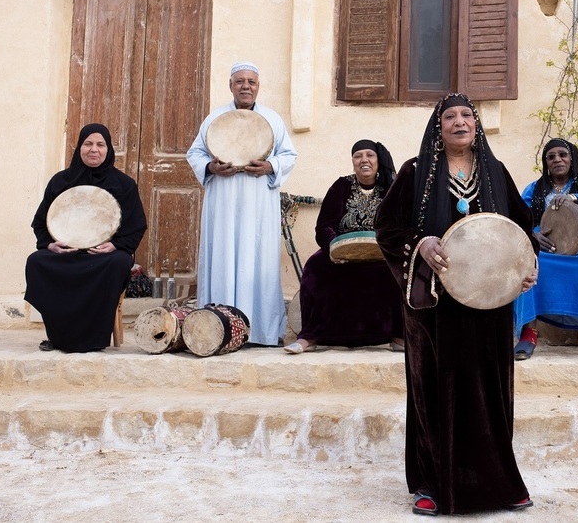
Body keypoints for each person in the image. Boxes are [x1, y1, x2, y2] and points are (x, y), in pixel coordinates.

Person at [374, 93, 538, 517]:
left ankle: (499, 480)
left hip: (489, 303)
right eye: (451, 116)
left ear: (477, 125)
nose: (460, 122)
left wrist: (527, 264)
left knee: (489, 392)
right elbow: (386, 227)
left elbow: (523, 230)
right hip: (434, 305)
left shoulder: (496, 173)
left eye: (468, 115)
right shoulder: (414, 173)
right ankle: (431, 483)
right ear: (438, 126)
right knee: (434, 389)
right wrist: (420, 242)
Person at [187, 62, 298, 346]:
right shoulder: (214, 118)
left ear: (258, 86)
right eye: (240, 81)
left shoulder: (272, 120)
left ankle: (259, 330)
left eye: (251, 81)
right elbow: (195, 153)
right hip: (222, 202)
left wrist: (270, 165)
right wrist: (211, 168)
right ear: (231, 85)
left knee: (257, 257)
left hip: (258, 203)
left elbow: (289, 155)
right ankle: (219, 328)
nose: (246, 86)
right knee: (222, 255)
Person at [25, 123, 147, 353]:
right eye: (88, 143)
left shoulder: (124, 185)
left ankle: (94, 337)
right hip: (67, 254)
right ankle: (59, 335)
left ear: (108, 149)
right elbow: (40, 222)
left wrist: (115, 245)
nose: (94, 149)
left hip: (103, 256)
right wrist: (50, 244)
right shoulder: (60, 182)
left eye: (100, 144)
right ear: (79, 147)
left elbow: (136, 226)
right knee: (37, 261)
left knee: (119, 262)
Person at [285, 140, 404, 354]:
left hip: (380, 253)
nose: (364, 160)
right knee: (314, 267)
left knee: (398, 269)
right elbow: (324, 225)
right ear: (353, 161)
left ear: (378, 160)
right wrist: (333, 247)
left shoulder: (390, 188)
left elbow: (397, 225)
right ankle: (310, 337)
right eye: (358, 156)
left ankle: (397, 335)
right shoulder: (341, 186)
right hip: (342, 251)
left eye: (370, 155)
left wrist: (387, 247)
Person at [512, 138, 578, 364]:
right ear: (546, 162)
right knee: (525, 259)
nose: (557, 160)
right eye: (551, 157)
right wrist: (532, 235)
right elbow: (517, 217)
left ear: (572, 159)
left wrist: (577, 198)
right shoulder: (535, 188)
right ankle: (528, 334)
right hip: (546, 250)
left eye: (563, 155)